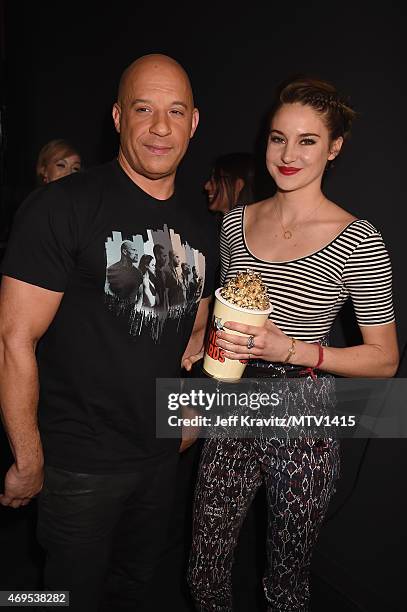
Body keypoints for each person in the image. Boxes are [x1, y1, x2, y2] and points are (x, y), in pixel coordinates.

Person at [0, 54, 218, 612]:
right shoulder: (61, 206)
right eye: (144, 109)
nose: (161, 126)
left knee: (133, 587)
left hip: (157, 459)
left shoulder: (200, 223)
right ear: (118, 116)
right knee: (62, 596)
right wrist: (29, 460)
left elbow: (193, 330)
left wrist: (189, 412)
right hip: (78, 463)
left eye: (176, 111)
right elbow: (13, 340)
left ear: (194, 122)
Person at [187, 77, 399, 611]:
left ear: (334, 147)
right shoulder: (234, 223)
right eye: (278, 138)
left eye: (307, 140)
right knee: (204, 571)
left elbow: (385, 361)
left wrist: (295, 351)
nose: (288, 154)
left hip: (306, 418)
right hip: (233, 405)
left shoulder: (359, 240)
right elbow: (225, 300)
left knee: (285, 582)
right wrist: (198, 332)